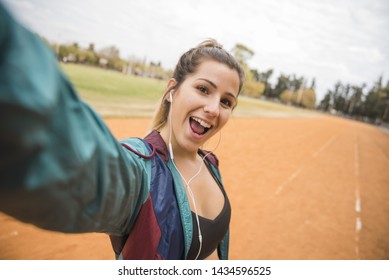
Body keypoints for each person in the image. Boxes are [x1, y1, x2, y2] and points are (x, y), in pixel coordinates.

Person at [0, 3, 244, 260]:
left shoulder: (211, 165)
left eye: (226, 101)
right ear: (172, 90)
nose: (214, 109)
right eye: (204, 89)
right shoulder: (139, 169)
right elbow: (69, 169)